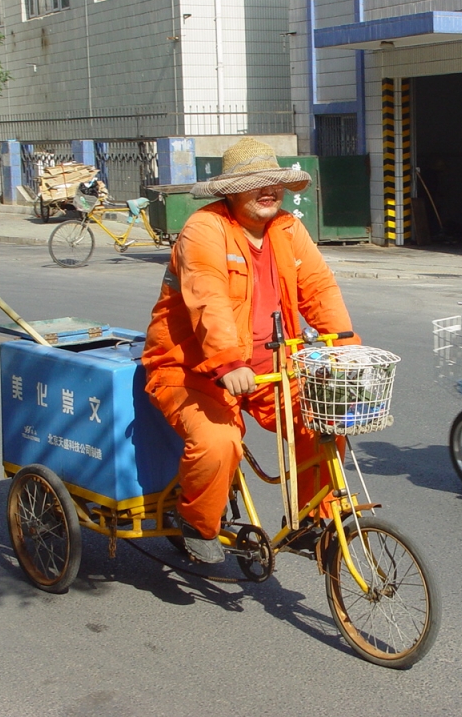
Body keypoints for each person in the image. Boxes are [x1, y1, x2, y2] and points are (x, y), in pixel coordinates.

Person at [142, 138, 359, 563]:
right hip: (192, 369)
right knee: (218, 444)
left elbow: (319, 289)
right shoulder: (204, 229)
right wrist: (226, 361)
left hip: (271, 366)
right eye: (255, 184)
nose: (269, 192)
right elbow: (208, 298)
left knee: (322, 425)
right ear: (231, 190)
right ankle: (196, 521)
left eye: (274, 183)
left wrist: (347, 348)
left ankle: (309, 521)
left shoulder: (288, 229)